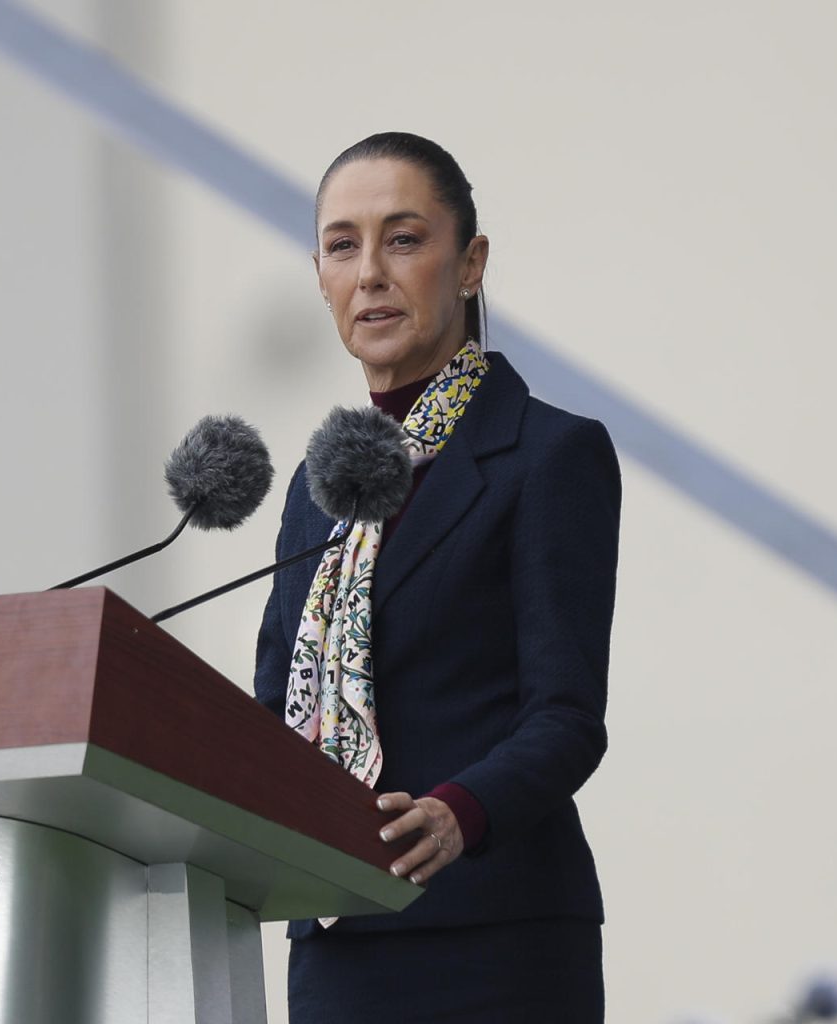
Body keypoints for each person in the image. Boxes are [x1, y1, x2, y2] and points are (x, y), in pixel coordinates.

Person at [253, 132, 621, 1022]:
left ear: (470, 264)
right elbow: (269, 720)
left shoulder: (547, 454)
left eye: (404, 238)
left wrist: (461, 811)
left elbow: (567, 718)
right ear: (320, 276)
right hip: (338, 944)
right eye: (344, 245)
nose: (371, 272)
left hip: (495, 940)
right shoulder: (320, 489)